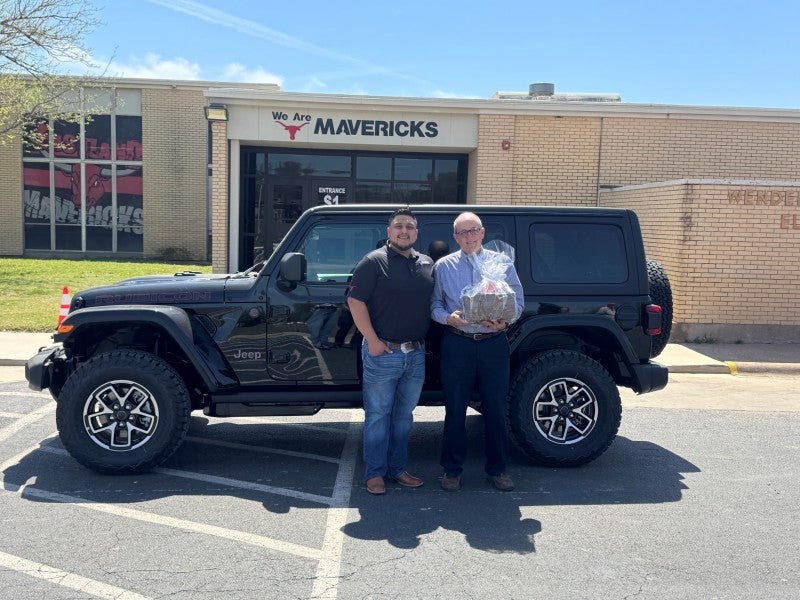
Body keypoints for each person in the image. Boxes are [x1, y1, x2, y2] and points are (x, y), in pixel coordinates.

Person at [430, 211, 524, 492]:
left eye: (474, 231)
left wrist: (505, 319)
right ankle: (451, 470)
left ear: (483, 233)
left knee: (495, 408)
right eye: (463, 232)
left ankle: (498, 469)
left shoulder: (501, 263)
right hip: (457, 343)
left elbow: (518, 300)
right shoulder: (444, 267)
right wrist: (450, 319)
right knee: (455, 409)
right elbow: (434, 305)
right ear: (455, 237)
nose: (469, 237)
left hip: (493, 342)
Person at [347, 208, 435, 495]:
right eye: (398, 226)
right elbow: (355, 301)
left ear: (417, 233)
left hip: (416, 354)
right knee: (378, 415)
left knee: (404, 416)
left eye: (410, 226)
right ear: (388, 231)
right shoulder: (374, 262)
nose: (404, 230)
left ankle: (398, 469)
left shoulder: (426, 263)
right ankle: (375, 473)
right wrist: (371, 340)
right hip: (383, 352)